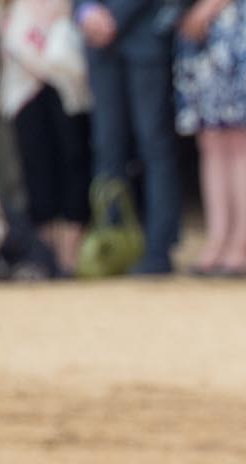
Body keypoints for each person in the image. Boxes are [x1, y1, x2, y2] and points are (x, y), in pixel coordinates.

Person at [174, 0, 246, 276]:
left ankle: (244, 242)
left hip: (240, 23)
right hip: (199, 30)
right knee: (210, 137)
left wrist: (209, 7)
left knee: (242, 137)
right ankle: (218, 238)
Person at [77, 0, 183, 275]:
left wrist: (113, 16)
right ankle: (111, 246)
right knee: (106, 146)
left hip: (144, 34)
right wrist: (85, 10)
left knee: (153, 144)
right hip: (99, 41)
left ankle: (158, 249)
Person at [0, 0, 95, 276]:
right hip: (23, 74)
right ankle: (44, 252)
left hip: (66, 71)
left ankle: (69, 254)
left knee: (73, 157)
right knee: (35, 160)